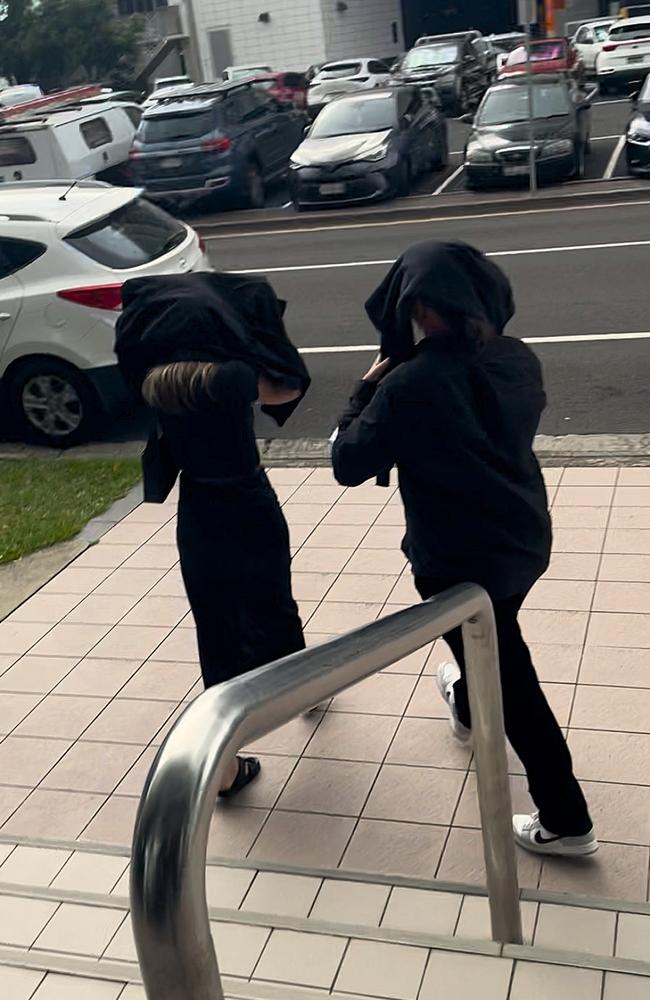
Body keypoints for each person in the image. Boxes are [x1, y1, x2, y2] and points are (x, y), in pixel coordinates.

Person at [331, 240, 596, 857]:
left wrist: (367, 387)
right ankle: (469, 706)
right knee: (489, 641)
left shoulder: (409, 386)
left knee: (513, 683)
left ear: (416, 311)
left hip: (457, 564)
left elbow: (346, 461)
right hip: (523, 539)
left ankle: (567, 819)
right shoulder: (516, 359)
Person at [115, 271, 310, 798]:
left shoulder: (151, 380)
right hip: (249, 502)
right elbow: (286, 388)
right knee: (273, 599)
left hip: (197, 510)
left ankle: (223, 767)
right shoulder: (234, 378)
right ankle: (305, 687)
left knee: (215, 623)